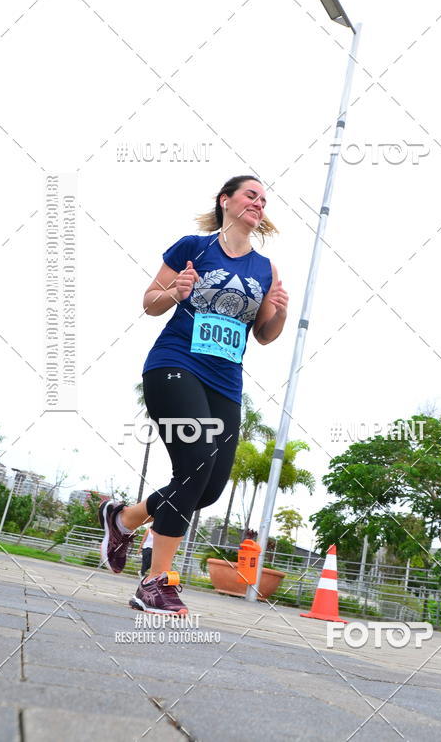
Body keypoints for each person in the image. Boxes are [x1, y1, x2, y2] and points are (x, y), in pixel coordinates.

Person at [99, 175, 289, 615]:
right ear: (226, 201)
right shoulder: (193, 247)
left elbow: (264, 335)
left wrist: (278, 310)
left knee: (207, 488)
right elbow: (150, 302)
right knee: (195, 463)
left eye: (263, 199)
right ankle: (154, 582)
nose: (258, 203)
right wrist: (175, 290)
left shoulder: (267, 269)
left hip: (226, 382)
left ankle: (124, 518)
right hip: (175, 365)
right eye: (250, 195)